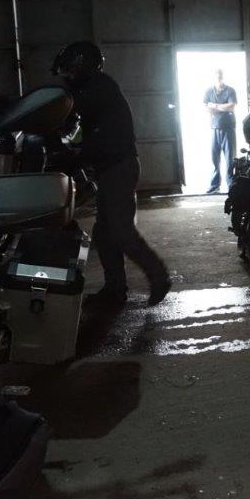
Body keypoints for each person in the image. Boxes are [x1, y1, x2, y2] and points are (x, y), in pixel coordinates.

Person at [51, 41, 171, 306]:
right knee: (104, 233)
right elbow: (77, 126)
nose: (68, 75)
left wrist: (70, 148)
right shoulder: (92, 88)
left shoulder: (99, 87)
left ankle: (159, 277)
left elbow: (69, 110)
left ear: (83, 66)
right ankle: (115, 290)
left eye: (70, 70)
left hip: (119, 167)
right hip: (109, 168)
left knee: (120, 230)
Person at [203, 69, 237, 194]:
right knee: (214, 158)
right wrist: (223, 107)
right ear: (213, 77)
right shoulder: (208, 91)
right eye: (217, 76)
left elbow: (232, 106)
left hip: (228, 128)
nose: (219, 79)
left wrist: (215, 106)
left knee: (230, 159)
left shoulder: (230, 90)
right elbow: (205, 107)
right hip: (214, 128)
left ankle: (231, 185)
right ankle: (214, 185)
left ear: (223, 77)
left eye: (220, 76)